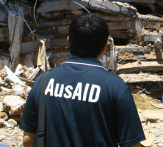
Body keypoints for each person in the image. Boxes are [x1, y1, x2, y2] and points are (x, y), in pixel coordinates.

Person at [19, 13, 145, 147]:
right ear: (104, 46)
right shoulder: (116, 87)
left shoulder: (43, 81)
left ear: (68, 41)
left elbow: (28, 139)